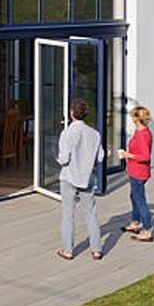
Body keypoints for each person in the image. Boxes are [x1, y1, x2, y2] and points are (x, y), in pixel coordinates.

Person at [56, 98, 105, 261]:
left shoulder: (67, 133)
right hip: (87, 177)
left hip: (69, 176)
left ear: (71, 114)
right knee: (91, 213)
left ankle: (68, 250)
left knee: (68, 214)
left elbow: (64, 159)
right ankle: (96, 250)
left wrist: (57, 158)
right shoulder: (95, 134)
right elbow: (100, 157)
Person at [121, 106, 154, 242]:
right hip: (136, 170)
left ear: (136, 118)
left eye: (132, 116)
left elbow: (145, 156)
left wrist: (128, 155)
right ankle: (135, 222)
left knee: (140, 200)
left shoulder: (142, 135)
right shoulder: (141, 131)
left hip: (139, 172)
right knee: (134, 196)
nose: (131, 118)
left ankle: (147, 230)